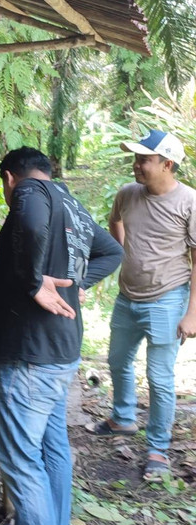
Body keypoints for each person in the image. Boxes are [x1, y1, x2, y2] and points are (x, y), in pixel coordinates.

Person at [0, 147, 122, 525]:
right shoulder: (72, 202)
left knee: (21, 462)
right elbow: (113, 251)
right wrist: (80, 283)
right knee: (52, 449)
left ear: (8, 179)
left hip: (29, 355)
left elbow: (30, 225)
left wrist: (31, 283)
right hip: (60, 351)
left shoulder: (31, 193)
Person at [87, 130, 196, 480]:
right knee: (117, 360)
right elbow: (114, 222)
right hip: (127, 297)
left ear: (167, 163)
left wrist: (192, 313)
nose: (136, 165)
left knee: (159, 377)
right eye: (135, 158)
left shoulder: (189, 202)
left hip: (167, 299)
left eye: (144, 160)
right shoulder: (127, 194)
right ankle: (122, 418)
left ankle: (158, 449)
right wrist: (123, 255)